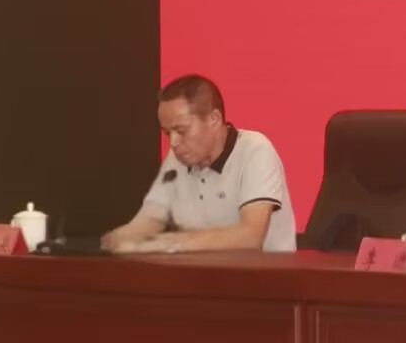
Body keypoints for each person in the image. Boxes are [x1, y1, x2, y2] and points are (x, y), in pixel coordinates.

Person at [101, 74, 297, 254]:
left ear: (214, 119)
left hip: (263, 277)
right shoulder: (176, 159)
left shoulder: (255, 150)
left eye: (181, 130)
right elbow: (151, 219)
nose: (173, 143)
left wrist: (170, 243)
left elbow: (251, 235)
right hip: (202, 274)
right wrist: (117, 239)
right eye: (167, 133)